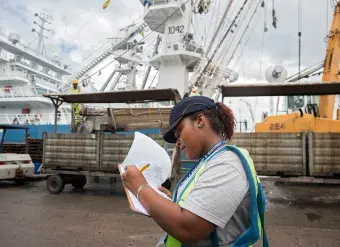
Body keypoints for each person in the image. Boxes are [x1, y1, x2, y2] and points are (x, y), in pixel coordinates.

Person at [122, 95, 268, 247]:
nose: (178, 143)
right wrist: (168, 203)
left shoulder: (227, 164)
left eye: (179, 131)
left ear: (200, 121)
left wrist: (140, 188)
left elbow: (188, 228)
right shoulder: (210, 161)